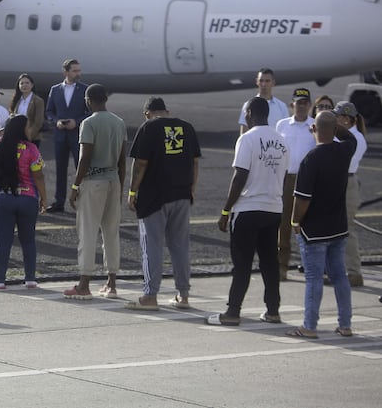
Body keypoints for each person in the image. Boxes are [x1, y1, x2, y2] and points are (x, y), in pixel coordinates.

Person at [208, 97, 289, 326]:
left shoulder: (247, 139)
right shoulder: (282, 141)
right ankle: (273, 310)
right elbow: (284, 176)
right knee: (269, 262)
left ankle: (233, 312)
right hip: (273, 208)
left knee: (242, 264)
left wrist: (226, 210)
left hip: (248, 209)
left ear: (251, 113)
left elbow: (240, 176)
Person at [125, 97, 200, 309]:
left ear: (147, 113)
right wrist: (192, 189)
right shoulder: (187, 127)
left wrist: (132, 191)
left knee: (152, 246)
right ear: (167, 111)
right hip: (182, 194)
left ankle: (150, 296)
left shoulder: (148, 127)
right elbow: (195, 162)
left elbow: (140, 163)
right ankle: (183, 294)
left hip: (154, 197)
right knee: (180, 245)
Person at [287, 110, 356, 338]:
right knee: (339, 276)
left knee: (314, 278)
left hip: (315, 231)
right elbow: (350, 137)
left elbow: (302, 199)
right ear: (335, 130)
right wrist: (334, 124)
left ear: (314, 129)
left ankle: (310, 326)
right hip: (338, 227)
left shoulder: (311, 159)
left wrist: (295, 220)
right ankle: (345, 324)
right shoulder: (344, 151)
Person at [63, 84, 126, 300]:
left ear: (89, 100)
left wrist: (75, 186)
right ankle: (112, 283)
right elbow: (122, 160)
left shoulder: (88, 123)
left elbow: (85, 158)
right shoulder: (119, 122)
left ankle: (84, 284)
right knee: (111, 232)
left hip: (93, 181)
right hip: (113, 180)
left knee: (88, 232)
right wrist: (120, 187)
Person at [0, 115, 47, 289]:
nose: (30, 129)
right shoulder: (32, 149)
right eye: (28, 126)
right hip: (28, 199)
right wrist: (44, 198)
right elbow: (38, 176)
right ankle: (30, 278)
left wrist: (7, 129)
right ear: (22, 129)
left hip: (3, 198)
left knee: (3, 241)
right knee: (28, 240)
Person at [274, 88, 315, 280]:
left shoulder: (314, 125)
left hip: (307, 179)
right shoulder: (282, 125)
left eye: (305, 103)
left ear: (310, 105)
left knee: (308, 223)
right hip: (287, 177)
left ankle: (310, 266)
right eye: (298, 103)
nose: (301, 106)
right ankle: (281, 266)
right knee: (283, 223)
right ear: (292, 105)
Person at [45, 59, 90, 212]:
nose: (78, 73)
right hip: (60, 136)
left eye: (79, 70)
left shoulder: (85, 89)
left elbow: (90, 112)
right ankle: (59, 201)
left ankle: (83, 201)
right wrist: (56, 121)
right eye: (75, 71)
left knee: (81, 168)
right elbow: (49, 111)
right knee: (60, 169)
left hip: (78, 135)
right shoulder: (55, 89)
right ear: (66, 72)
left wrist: (76, 122)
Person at [334, 101, 368, 287]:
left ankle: (354, 272)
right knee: (336, 230)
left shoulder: (356, 139)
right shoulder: (344, 136)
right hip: (340, 181)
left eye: (337, 117)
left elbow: (340, 161)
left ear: (346, 119)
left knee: (347, 229)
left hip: (346, 183)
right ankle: (339, 271)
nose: (335, 120)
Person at [237, 68, 289, 134]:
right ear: (257, 82)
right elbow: (244, 132)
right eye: (261, 81)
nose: (264, 84)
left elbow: (286, 131)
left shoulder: (282, 106)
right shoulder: (248, 105)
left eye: (267, 81)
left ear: (273, 82)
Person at [8, 73, 45, 148]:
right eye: (22, 83)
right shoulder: (16, 100)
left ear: (32, 85)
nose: (24, 85)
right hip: (17, 137)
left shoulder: (38, 100)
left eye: (27, 83)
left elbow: (38, 122)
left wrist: (28, 136)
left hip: (32, 137)